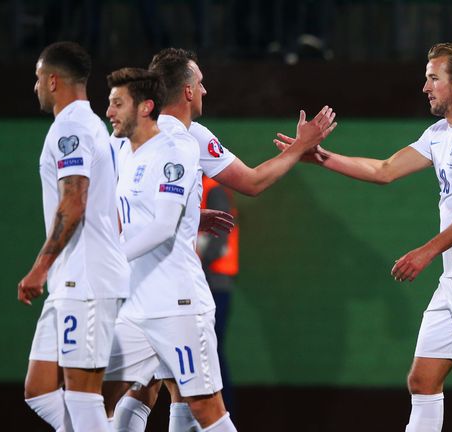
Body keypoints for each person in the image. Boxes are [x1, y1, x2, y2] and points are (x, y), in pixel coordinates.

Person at [275, 42, 452, 432]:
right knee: (423, 379)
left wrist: (426, 251)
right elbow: (384, 169)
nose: (425, 86)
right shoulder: (439, 133)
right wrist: (322, 157)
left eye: (433, 78)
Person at [103, 48, 337, 431]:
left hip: (169, 298)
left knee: (187, 401)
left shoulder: (144, 138)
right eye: (201, 83)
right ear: (190, 91)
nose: (206, 90)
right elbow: (253, 182)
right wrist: (299, 146)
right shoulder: (178, 138)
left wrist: (188, 212)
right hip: (143, 297)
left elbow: (138, 207)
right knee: (136, 394)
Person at [19, 41, 130, 431]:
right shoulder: (90, 125)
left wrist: (38, 268)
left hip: (84, 279)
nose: (35, 88)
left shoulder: (72, 127)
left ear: (52, 80)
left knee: (82, 396)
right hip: (72, 280)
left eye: (37, 79)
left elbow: (74, 201)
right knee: (39, 389)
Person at [197, 176, 239, 413]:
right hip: (208, 283)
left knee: (210, 353)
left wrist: (191, 267)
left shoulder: (213, 190)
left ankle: (222, 416)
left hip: (213, 285)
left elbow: (219, 240)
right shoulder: (201, 187)